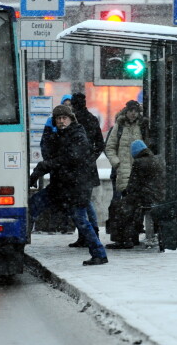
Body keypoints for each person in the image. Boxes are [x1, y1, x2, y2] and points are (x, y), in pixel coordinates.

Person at [28, 104, 108, 266]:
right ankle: (19, 243)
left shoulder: (78, 135)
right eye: (58, 118)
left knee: (81, 220)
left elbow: (70, 158)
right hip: (61, 186)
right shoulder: (60, 135)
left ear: (71, 119)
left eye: (64, 118)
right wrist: (48, 131)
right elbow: (49, 153)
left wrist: (43, 167)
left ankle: (99, 253)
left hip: (76, 187)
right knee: (32, 206)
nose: (61, 121)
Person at [106, 140, 165, 249]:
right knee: (132, 206)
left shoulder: (139, 162)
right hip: (158, 195)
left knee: (119, 206)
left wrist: (126, 192)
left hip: (147, 197)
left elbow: (133, 185)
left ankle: (123, 240)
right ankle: (132, 237)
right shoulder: (157, 159)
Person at [67, 92, 104, 248]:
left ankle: (86, 234)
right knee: (85, 202)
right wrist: (91, 158)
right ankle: (91, 233)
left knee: (80, 203)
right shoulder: (92, 119)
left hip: (76, 168)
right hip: (87, 168)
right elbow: (100, 144)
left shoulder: (74, 121)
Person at [105, 100, 150, 199]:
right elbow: (109, 147)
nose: (133, 113)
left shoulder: (142, 126)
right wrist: (116, 163)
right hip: (123, 171)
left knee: (137, 203)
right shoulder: (119, 126)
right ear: (126, 111)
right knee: (125, 201)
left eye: (136, 111)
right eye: (131, 110)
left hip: (139, 171)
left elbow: (148, 148)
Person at [40, 94, 72, 161]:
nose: (68, 107)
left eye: (70, 104)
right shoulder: (51, 121)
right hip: (54, 160)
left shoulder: (76, 121)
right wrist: (48, 160)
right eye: (66, 105)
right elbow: (45, 142)